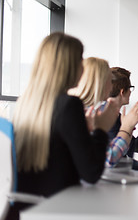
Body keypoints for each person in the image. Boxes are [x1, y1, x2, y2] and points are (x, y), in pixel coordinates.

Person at [8, 33, 123, 219]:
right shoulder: (69, 105)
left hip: (29, 205)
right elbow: (91, 173)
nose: (83, 68)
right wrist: (101, 129)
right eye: (80, 60)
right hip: (59, 206)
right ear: (68, 66)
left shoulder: (27, 103)